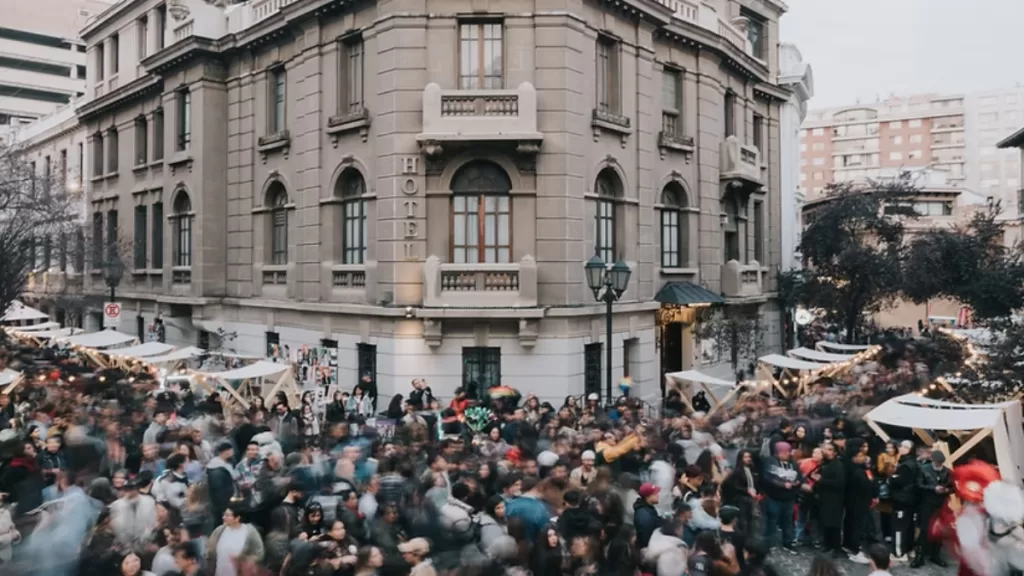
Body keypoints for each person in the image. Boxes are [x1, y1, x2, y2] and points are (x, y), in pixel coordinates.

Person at [911, 450, 951, 568]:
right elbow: (919, 485)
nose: (939, 465)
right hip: (927, 504)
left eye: (941, 463)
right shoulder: (924, 469)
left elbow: (952, 487)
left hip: (941, 504)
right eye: (937, 462)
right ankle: (920, 556)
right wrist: (933, 488)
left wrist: (947, 490)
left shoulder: (947, 472)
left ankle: (935, 555)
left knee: (939, 530)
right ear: (933, 460)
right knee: (924, 529)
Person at [761, 441, 803, 550]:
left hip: (789, 498)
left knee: (788, 520)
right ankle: (769, 542)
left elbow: (800, 476)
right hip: (774, 496)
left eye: (788, 452)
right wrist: (782, 484)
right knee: (772, 519)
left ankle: (788, 542)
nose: (786, 454)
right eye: (783, 452)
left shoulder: (793, 463)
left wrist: (797, 483)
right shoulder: (770, 462)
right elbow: (767, 478)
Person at [206, 505, 265, 576]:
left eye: (227, 515)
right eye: (224, 514)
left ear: (237, 518)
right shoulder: (219, 530)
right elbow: (210, 552)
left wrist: (244, 559)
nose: (223, 517)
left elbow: (259, 553)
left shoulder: (250, 531)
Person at [815, 442, 846, 558]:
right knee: (825, 523)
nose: (826, 451)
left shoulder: (838, 465)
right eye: (825, 449)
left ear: (834, 452)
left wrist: (821, 480)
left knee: (834, 525)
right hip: (824, 498)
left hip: (835, 500)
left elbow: (839, 483)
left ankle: (835, 547)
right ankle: (827, 544)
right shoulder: (824, 464)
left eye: (829, 449)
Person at [889, 439, 918, 561]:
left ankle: (899, 553)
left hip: (902, 499)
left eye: (906, 447)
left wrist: (891, 478)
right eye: (901, 446)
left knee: (899, 526)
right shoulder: (912, 462)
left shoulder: (906, 465)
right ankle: (909, 548)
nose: (902, 448)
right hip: (909, 499)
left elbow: (898, 481)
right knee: (909, 525)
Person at [633, 482, 661, 548]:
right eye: (655, 493)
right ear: (648, 496)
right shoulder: (644, 515)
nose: (658, 495)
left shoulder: (648, 509)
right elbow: (647, 539)